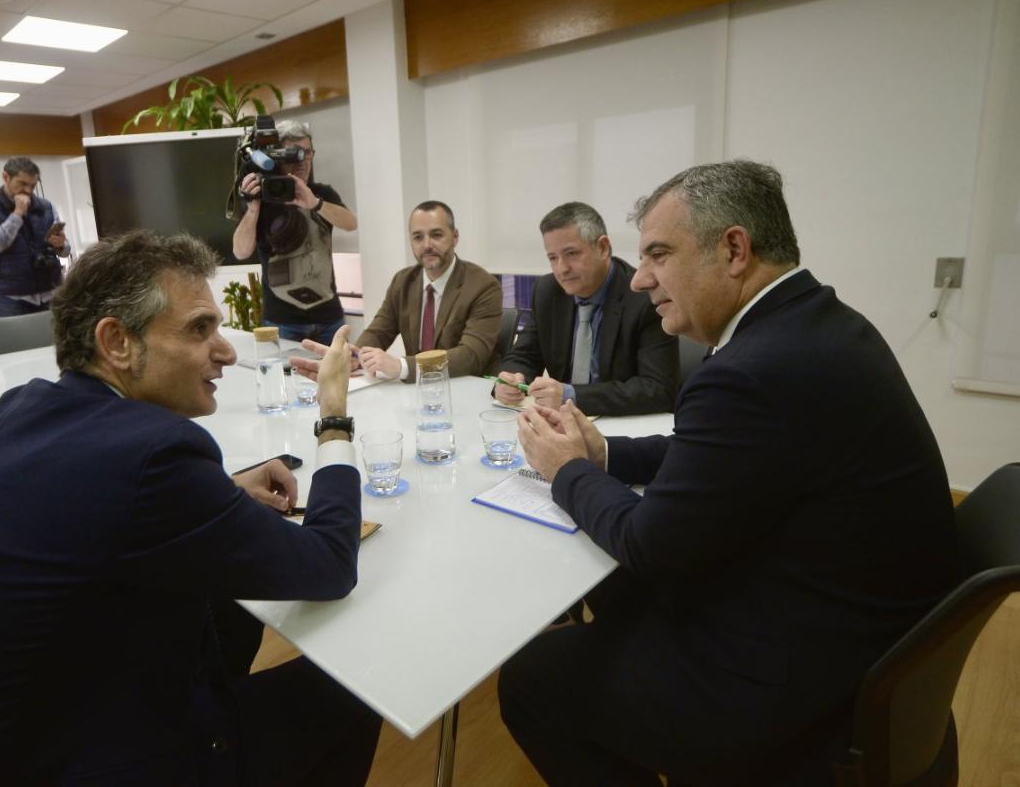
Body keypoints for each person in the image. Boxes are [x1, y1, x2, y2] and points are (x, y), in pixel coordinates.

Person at [0, 231, 381, 786]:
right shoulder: (150, 456)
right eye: (200, 329)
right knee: (356, 690)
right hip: (22, 767)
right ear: (117, 342)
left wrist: (217, 494)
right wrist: (334, 416)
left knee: (217, 609)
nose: (225, 351)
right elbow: (328, 566)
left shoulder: (17, 406)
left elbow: (88, 507)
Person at [499, 161, 959, 784]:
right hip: (860, 635)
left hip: (802, 685)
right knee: (615, 594)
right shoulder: (815, 325)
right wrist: (606, 454)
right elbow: (710, 452)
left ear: (735, 249)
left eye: (659, 254)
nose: (642, 282)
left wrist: (565, 470)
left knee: (531, 679)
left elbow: (649, 545)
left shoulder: (751, 370)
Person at [494, 201, 677, 416]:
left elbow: (657, 389)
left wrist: (571, 394)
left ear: (603, 247)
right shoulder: (547, 291)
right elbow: (524, 355)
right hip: (558, 422)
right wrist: (511, 380)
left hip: (624, 427)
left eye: (571, 254)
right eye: (553, 258)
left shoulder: (643, 298)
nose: (562, 269)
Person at [232, 120, 357, 346]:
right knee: (282, 380)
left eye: (307, 153)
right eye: (294, 153)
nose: (302, 160)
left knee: (341, 379)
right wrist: (252, 210)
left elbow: (350, 224)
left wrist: (315, 203)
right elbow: (240, 252)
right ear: (276, 156)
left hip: (329, 317)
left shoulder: (323, 193)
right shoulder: (262, 198)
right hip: (282, 321)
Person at [355, 200, 502, 381]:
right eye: (418, 237)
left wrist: (402, 366)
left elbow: (471, 356)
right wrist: (352, 355)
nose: (426, 245)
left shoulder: (483, 286)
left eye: (436, 235)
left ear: (455, 237)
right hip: (417, 394)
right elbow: (378, 332)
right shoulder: (403, 281)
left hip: (464, 389)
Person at [0, 157, 69, 317]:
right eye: (22, 184)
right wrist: (17, 213)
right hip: (11, 297)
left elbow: (65, 251)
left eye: (33, 185)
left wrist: (60, 244)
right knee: (18, 342)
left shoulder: (46, 206)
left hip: (50, 292)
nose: (29, 190)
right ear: (6, 177)